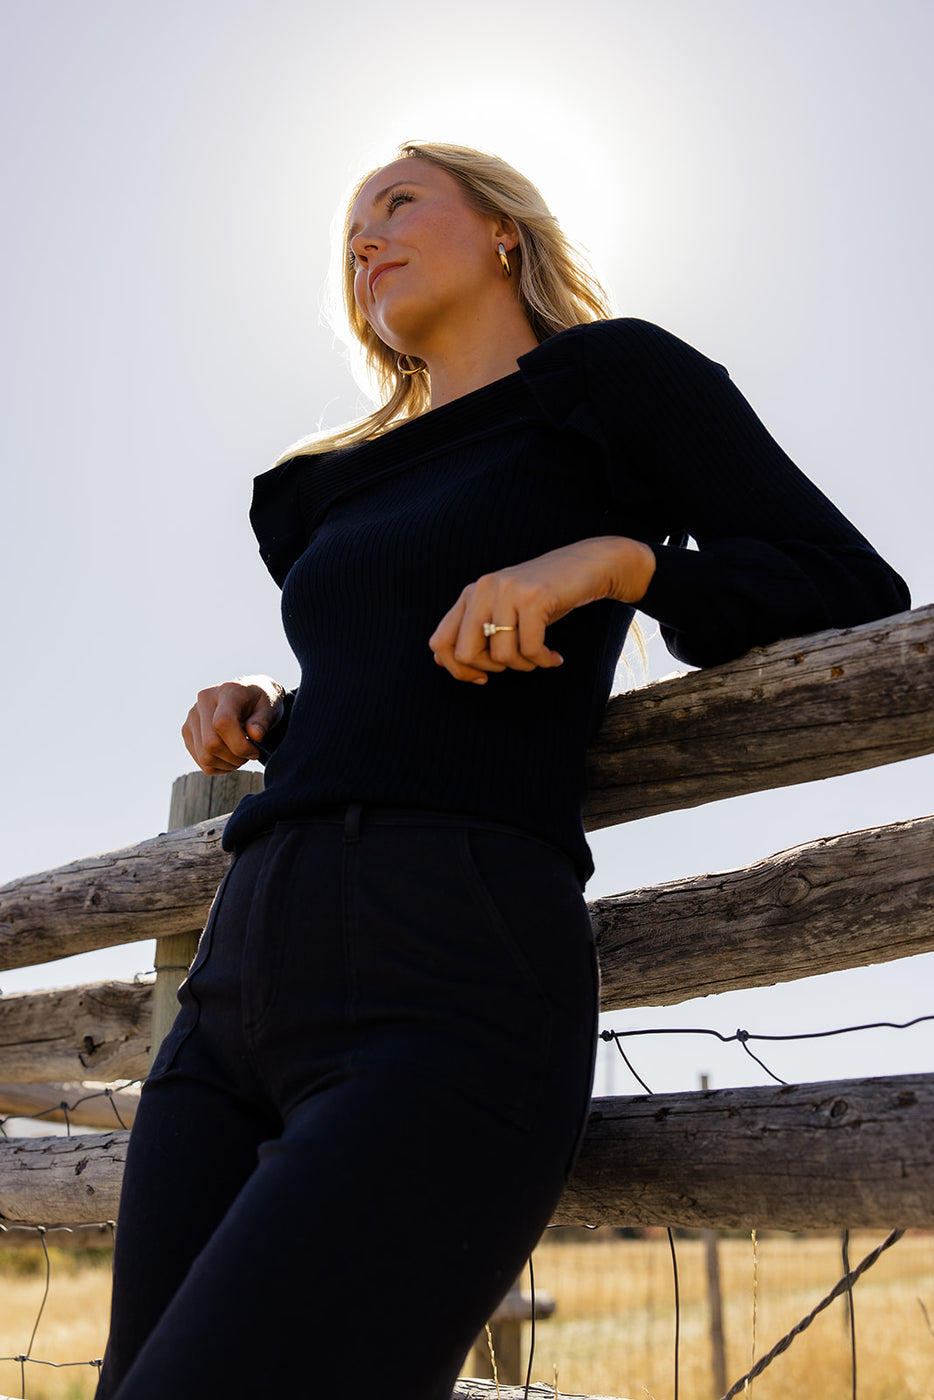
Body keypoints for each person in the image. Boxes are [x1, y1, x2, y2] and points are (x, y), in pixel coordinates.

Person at [97, 142, 909, 1400]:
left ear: (504, 234)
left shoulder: (608, 384)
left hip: (448, 964)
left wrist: (616, 563)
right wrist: (269, 709)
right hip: (235, 981)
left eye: (397, 202)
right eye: (350, 229)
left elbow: (844, 584)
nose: (364, 237)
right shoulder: (333, 485)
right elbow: (396, 668)